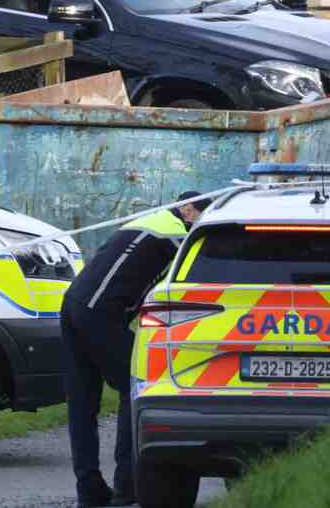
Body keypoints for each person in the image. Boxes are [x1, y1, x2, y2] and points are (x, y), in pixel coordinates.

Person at [61, 191, 212, 507]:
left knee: (82, 401)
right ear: (186, 209)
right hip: (98, 312)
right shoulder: (173, 232)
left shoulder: (148, 224)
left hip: (77, 304)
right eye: (202, 215)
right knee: (137, 384)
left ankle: (89, 489)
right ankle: (126, 486)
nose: (203, 223)